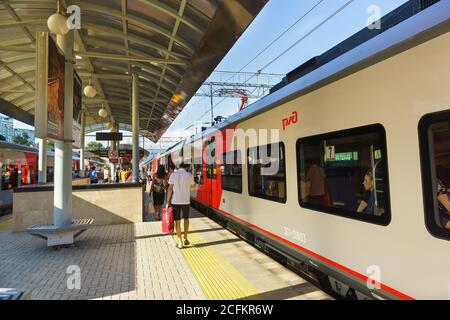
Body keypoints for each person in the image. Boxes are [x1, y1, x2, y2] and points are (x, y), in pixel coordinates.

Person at [166, 163, 195, 249]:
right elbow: (193, 185)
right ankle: (185, 237)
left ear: (178, 167)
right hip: (186, 201)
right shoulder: (189, 175)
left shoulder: (173, 175)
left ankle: (180, 241)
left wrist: (167, 201)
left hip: (175, 201)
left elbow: (170, 188)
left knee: (177, 221)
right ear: (186, 168)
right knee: (186, 219)